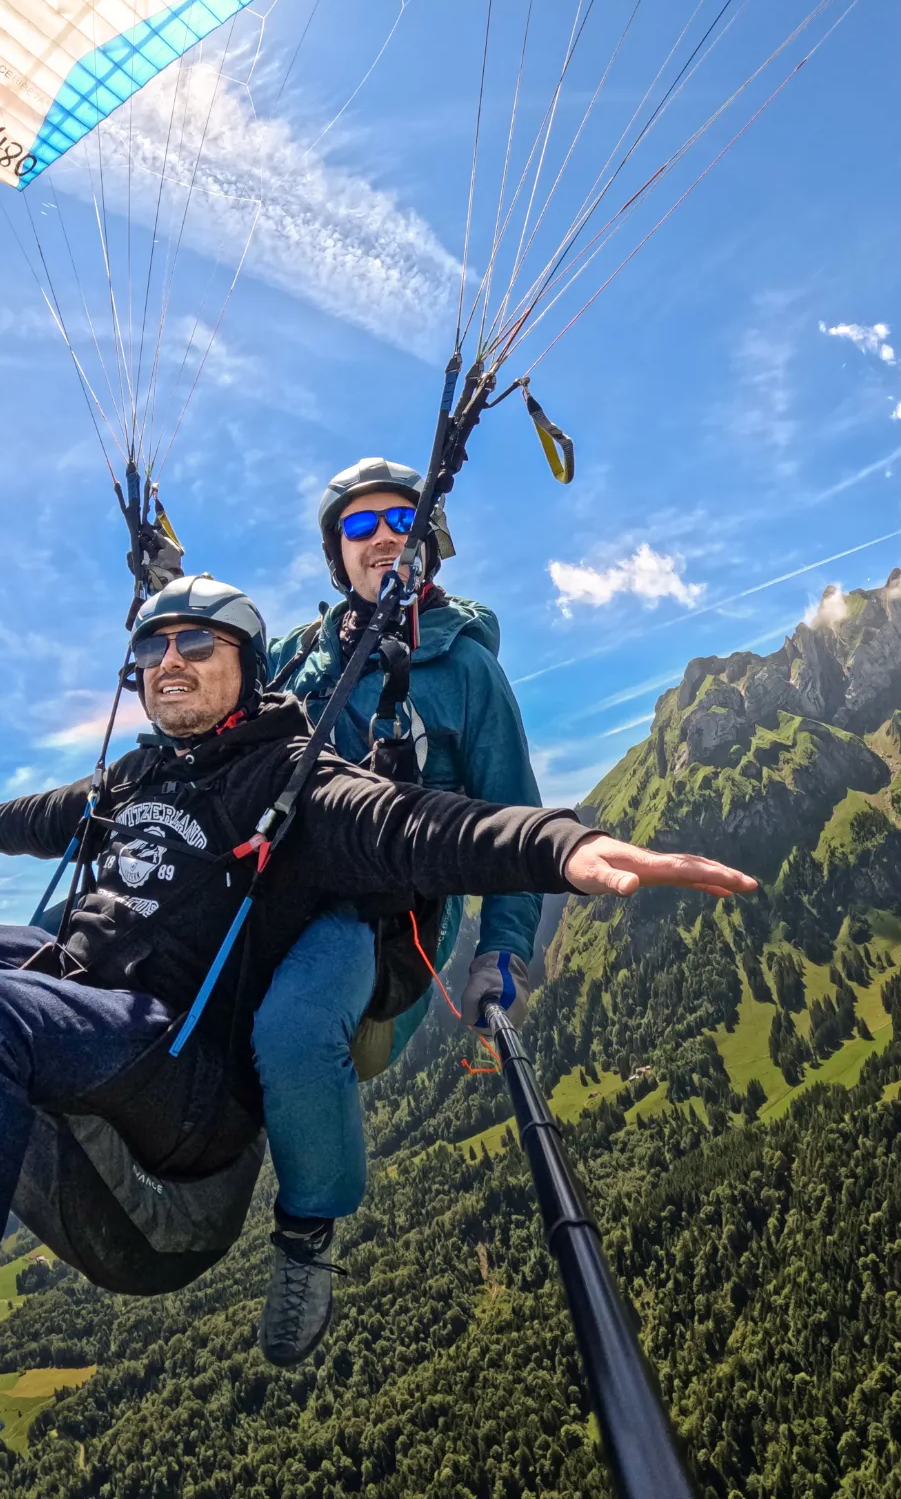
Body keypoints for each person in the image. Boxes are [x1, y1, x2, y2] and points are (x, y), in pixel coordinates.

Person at [0, 574, 755, 1499]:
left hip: (178, 1066)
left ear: (250, 665)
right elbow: (59, 814)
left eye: (198, 644)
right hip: (84, 995)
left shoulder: (297, 783)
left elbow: (421, 826)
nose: (169, 662)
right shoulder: (144, 775)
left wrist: (564, 848)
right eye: (152, 648)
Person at [251, 457, 546, 1364]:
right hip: (276, 888)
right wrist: (167, 599)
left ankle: (308, 1237)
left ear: (431, 542)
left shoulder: (464, 673)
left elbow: (512, 818)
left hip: (387, 914)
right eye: (357, 526)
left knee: (298, 1026)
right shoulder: (299, 658)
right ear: (337, 558)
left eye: (401, 519)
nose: (381, 535)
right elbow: (218, 693)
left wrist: (501, 955)